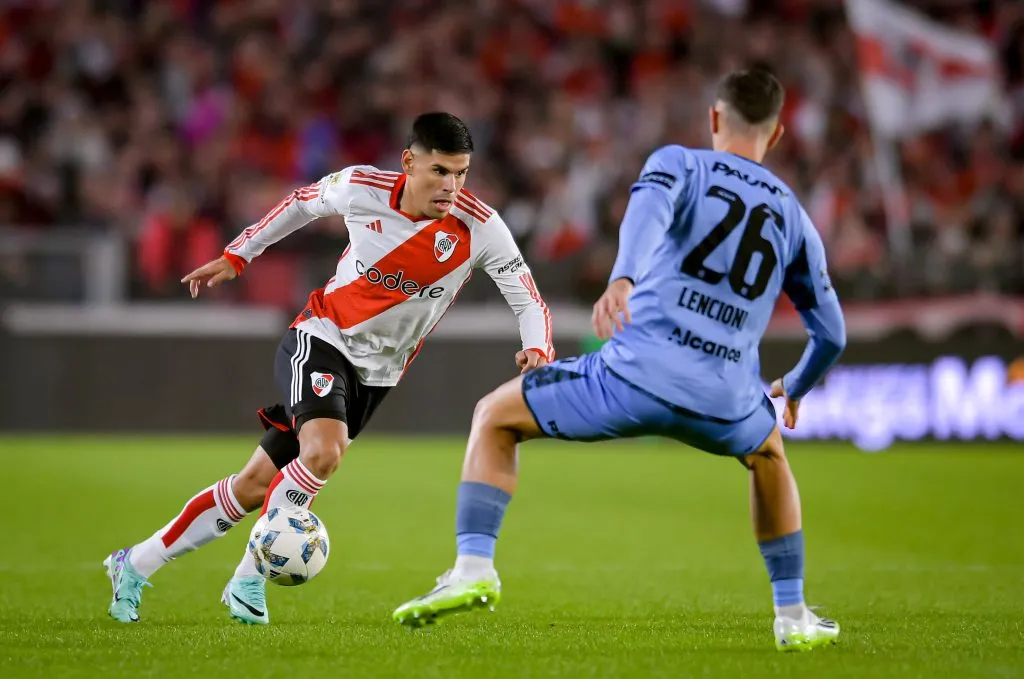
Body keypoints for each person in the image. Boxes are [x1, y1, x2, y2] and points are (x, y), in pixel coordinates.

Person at [392, 70, 847, 653]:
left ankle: (473, 568)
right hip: (725, 398)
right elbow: (831, 334)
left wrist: (623, 278)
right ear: (777, 134)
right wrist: (797, 386)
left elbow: (648, 211)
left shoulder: (681, 163)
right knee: (769, 455)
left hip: (632, 378)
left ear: (714, 117)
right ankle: (792, 615)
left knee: (494, 416)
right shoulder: (794, 217)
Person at [103, 112, 555, 625]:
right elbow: (300, 203)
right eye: (439, 171)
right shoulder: (362, 187)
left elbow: (528, 300)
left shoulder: (480, 227)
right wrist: (239, 255)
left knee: (253, 487)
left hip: (377, 375)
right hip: (322, 338)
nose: (451, 186)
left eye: (461, 173)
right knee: (324, 450)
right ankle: (248, 580)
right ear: (409, 162)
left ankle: (134, 563)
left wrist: (537, 350)